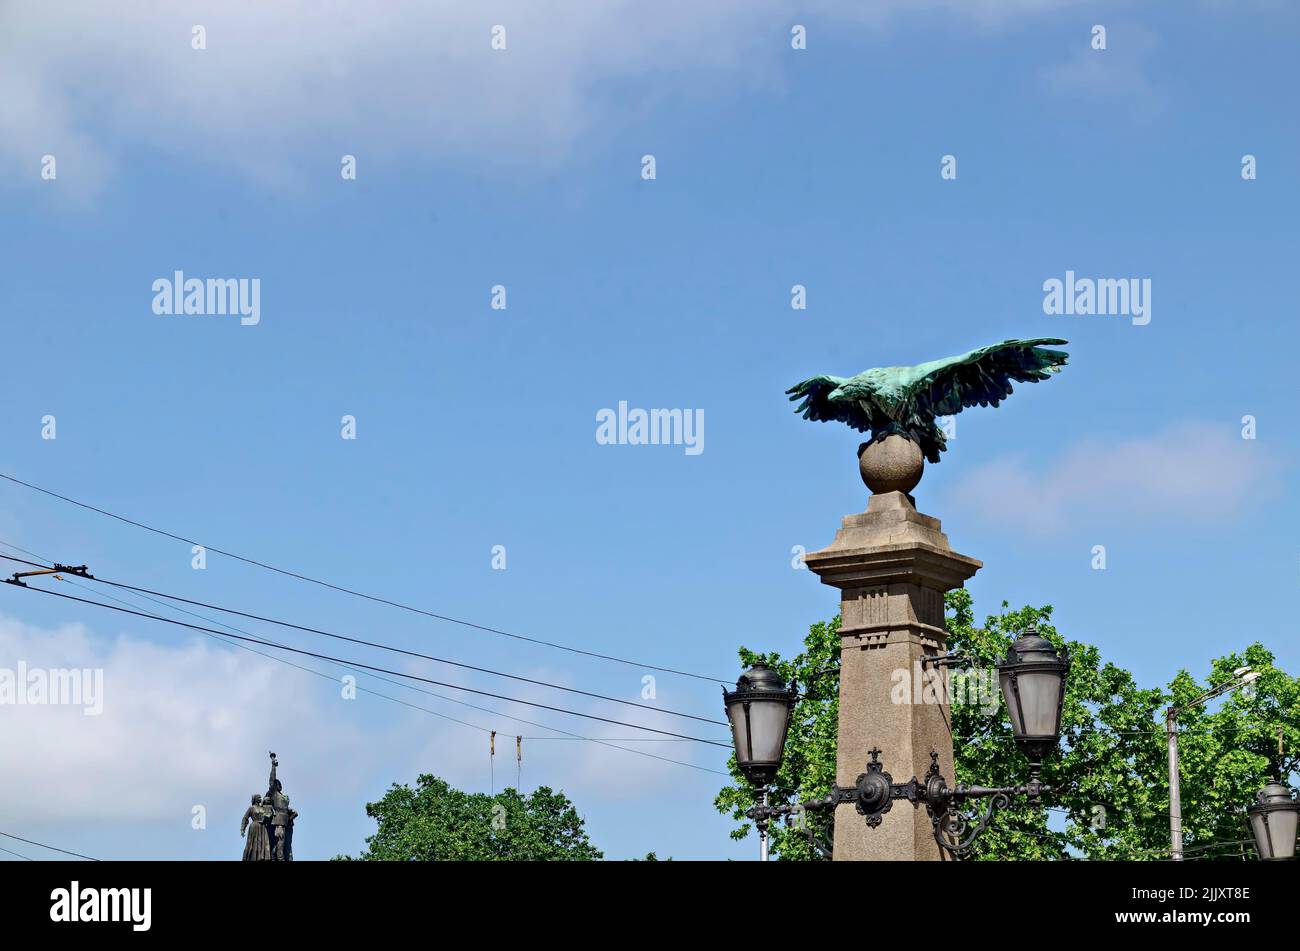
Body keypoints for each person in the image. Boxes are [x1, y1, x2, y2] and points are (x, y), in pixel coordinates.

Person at [240, 794, 272, 862]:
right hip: (254, 827)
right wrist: (242, 829)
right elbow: (245, 818)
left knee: (263, 843)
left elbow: (269, 815)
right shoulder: (251, 808)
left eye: (260, 797)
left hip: (263, 827)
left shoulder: (263, 808)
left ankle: (261, 857)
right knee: (252, 843)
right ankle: (250, 857)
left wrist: (267, 817)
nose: (260, 798)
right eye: (259, 797)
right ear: (255, 799)